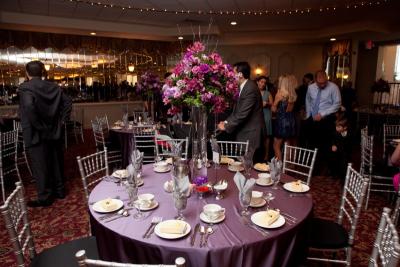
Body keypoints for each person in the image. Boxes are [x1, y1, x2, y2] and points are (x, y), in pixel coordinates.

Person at [19, 61, 72, 207]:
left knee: (40, 166)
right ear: (42, 72)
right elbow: (68, 102)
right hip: (54, 132)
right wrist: (62, 121)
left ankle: (45, 197)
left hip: (36, 133)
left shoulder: (25, 88)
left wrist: (39, 126)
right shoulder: (54, 87)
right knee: (55, 161)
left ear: (27, 73)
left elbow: (29, 106)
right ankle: (60, 191)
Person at [217, 61, 265, 155]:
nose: (231, 76)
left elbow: (242, 113)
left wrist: (226, 126)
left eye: (233, 73)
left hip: (251, 133)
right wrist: (226, 122)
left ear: (240, 74)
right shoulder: (243, 87)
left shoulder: (250, 88)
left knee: (248, 165)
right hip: (245, 131)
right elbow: (237, 111)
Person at [305, 70, 341, 173]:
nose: (322, 85)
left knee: (326, 145)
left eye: (324, 82)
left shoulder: (333, 87)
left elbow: (337, 104)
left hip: (327, 120)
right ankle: (313, 168)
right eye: (320, 83)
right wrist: (308, 114)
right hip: (312, 119)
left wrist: (323, 114)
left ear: (327, 79)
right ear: (315, 80)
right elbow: (308, 100)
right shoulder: (311, 88)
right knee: (312, 144)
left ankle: (327, 169)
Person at [271, 75, 297, 160]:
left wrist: (275, 103)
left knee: (276, 146)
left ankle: (279, 167)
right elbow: (289, 111)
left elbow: (273, 109)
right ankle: (288, 167)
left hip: (281, 122)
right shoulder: (292, 94)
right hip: (291, 121)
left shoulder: (280, 93)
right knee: (287, 144)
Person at [256, 75, 273, 161]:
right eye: (261, 82)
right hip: (256, 116)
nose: (263, 84)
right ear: (257, 82)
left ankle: (266, 155)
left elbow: (273, 105)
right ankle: (256, 154)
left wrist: (267, 103)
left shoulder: (268, 93)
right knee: (257, 135)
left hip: (266, 115)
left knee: (266, 136)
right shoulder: (253, 92)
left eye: (264, 83)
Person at [294, 73, 313, 146]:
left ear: (311, 80)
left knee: (308, 131)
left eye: (306, 80)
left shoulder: (314, 89)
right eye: (304, 80)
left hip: (310, 113)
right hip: (301, 111)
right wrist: (302, 108)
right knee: (301, 131)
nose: (304, 81)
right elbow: (298, 100)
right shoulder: (301, 88)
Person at [329, 116, 351, 180]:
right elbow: (332, 139)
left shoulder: (349, 134)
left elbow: (348, 145)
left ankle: (343, 176)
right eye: (336, 126)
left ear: (345, 127)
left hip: (345, 152)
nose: (336, 128)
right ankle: (334, 174)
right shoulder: (335, 133)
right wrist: (333, 145)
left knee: (344, 164)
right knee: (334, 161)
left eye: (339, 127)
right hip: (337, 151)